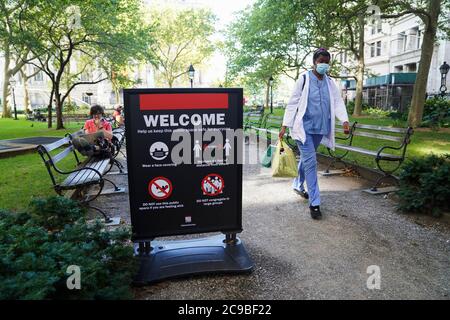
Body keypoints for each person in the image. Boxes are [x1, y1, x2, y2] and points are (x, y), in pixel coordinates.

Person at [279, 48, 350, 220]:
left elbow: (338, 102)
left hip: (321, 128)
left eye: (327, 61)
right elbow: (293, 102)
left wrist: (345, 121)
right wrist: (284, 125)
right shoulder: (304, 79)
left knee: (307, 158)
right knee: (311, 162)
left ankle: (297, 183)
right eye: (321, 61)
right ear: (314, 62)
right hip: (303, 129)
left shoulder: (331, 82)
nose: (324, 64)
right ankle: (315, 203)